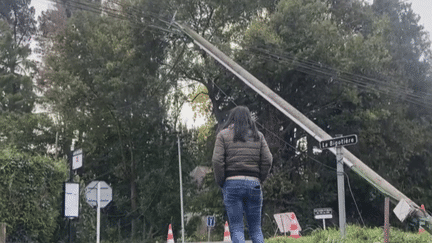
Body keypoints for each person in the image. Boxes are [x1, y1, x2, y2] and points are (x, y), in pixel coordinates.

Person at [212, 106, 273, 243]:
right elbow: (268, 159)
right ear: (249, 119)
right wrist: (260, 178)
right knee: (256, 229)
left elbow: (217, 161)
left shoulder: (223, 135)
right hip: (254, 183)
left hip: (231, 183)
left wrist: (221, 181)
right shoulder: (258, 136)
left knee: (237, 228)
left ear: (231, 118)